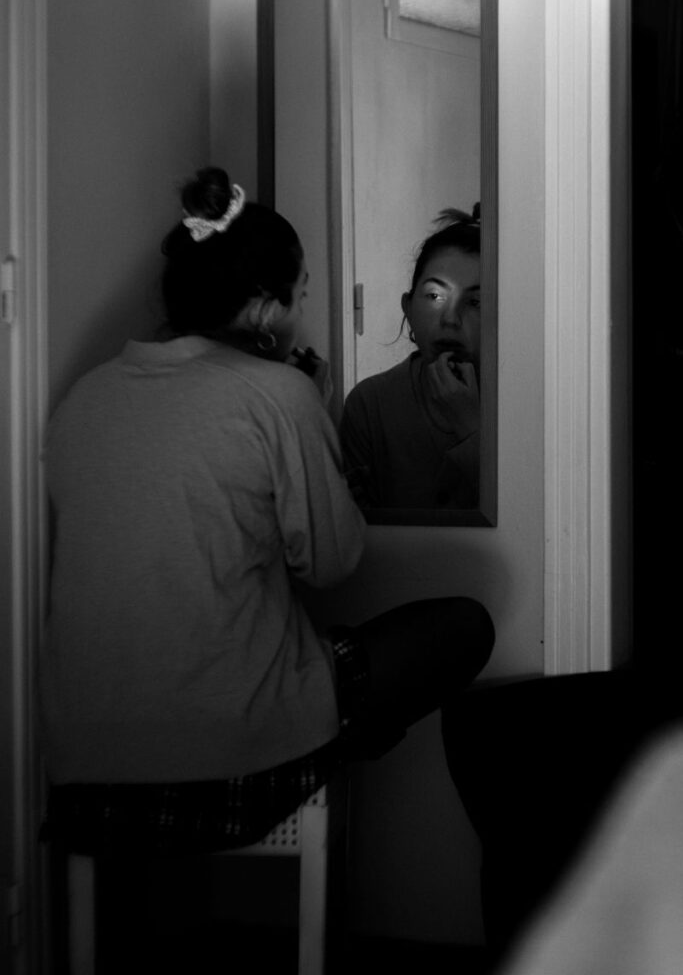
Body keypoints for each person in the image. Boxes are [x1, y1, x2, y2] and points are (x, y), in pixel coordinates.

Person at [39, 169, 494, 862]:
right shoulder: (284, 394)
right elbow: (334, 561)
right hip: (234, 773)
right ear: (260, 310)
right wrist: (303, 408)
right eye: (300, 296)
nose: (302, 315)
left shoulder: (80, 401)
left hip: (84, 777)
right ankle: (319, 748)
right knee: (463, 625)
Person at [340, 206, 481, 511]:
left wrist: (471, 428)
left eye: (474, 302)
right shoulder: (370, 404)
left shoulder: (523, 409)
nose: (450, 319)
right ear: (408, 306)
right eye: (434, 296)